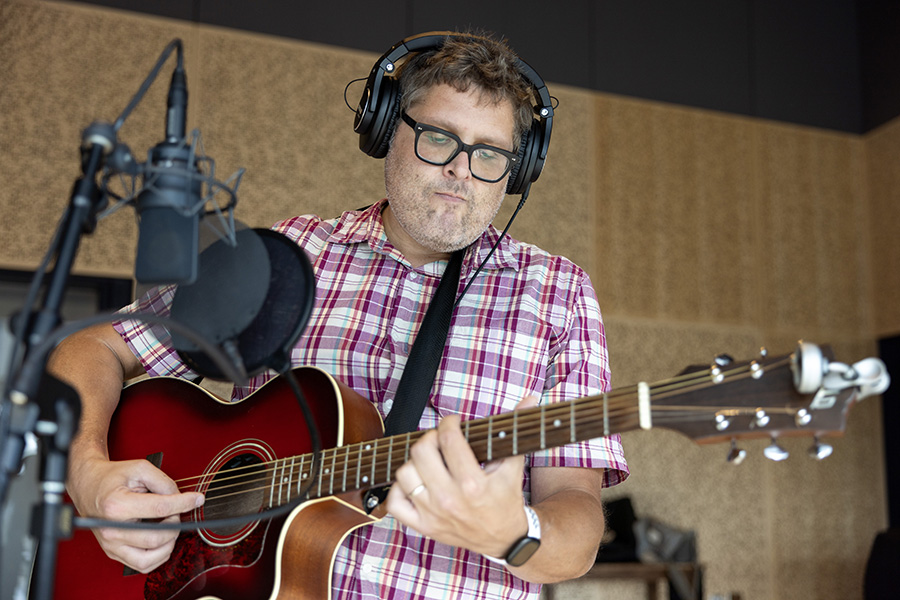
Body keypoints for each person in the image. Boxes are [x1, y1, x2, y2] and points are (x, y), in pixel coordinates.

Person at [49, 31, 628, 599]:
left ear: (516, 169)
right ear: (386, 128)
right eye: (439, 137)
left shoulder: (558, 295)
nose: (462, 169)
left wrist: (515, 534)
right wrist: (88, 473)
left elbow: (575, 527)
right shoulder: (286, 256)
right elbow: (94, 347)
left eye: (491, 153)